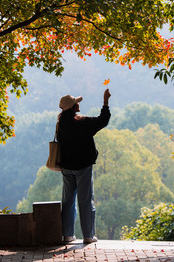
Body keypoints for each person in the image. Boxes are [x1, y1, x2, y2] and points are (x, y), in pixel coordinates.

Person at [57, 89, 111, 244]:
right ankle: (88, 235)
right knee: (85, 200)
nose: (78, 104)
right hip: (83, 167)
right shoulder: (83, 123)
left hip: (66, 167)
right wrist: (105, 101)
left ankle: (67, 234)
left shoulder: (60, 124)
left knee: (68, 201)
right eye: (76, 103)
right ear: (73, 107)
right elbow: (103, 120)